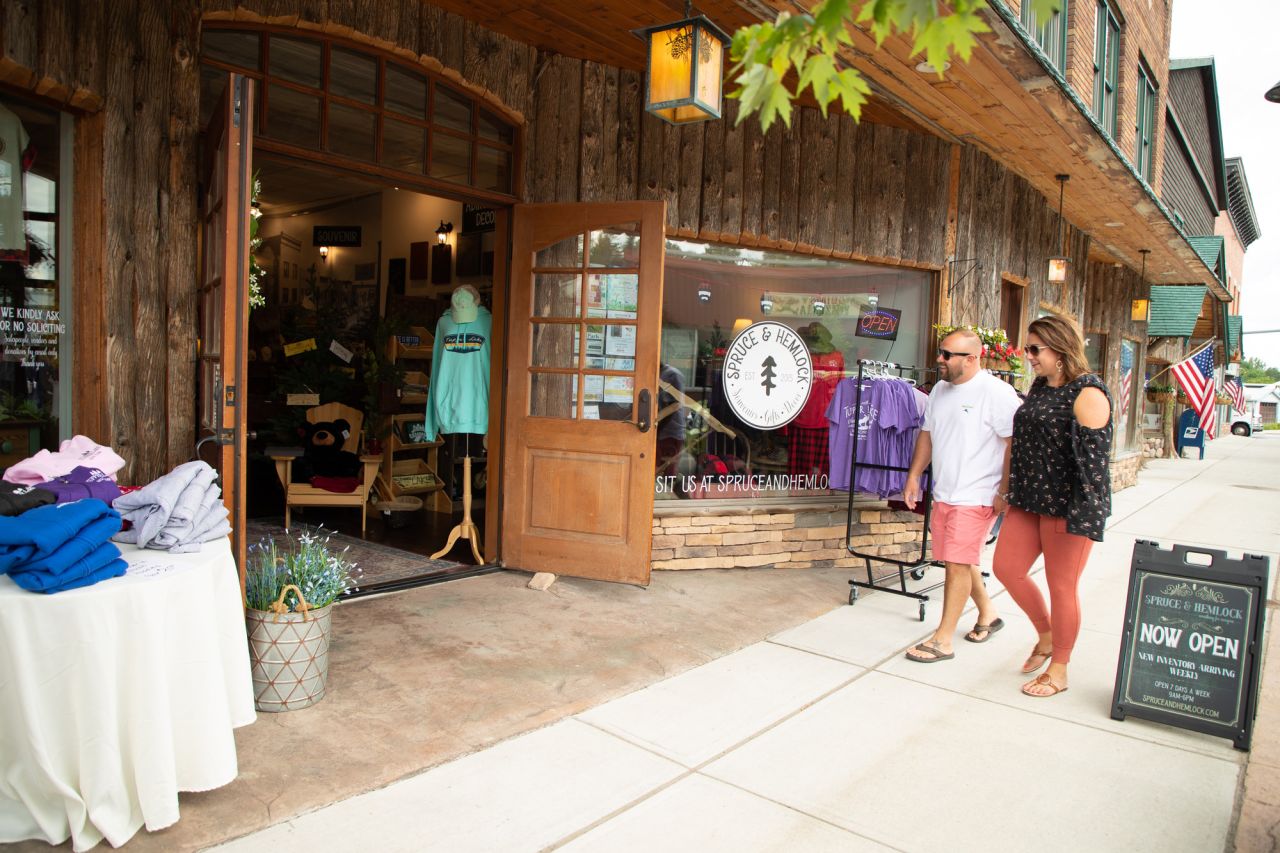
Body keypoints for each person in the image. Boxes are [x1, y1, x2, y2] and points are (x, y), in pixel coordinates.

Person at [993, 313, 1112, 698]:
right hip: (1028, 499)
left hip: (1065, 505)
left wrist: (1083, 517)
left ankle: (1059, 668)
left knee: (1062, 586)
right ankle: (1045, 634)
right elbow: (1022, 442)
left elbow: (1094, 469)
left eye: (1033, 349)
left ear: (1059, 349)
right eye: (1026, 348)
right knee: (1006, 568)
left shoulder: (1088, 394)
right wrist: (1006, 488)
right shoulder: (1042, 386)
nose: (1027, 355)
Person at [902, 328, 1022, 662]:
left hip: (978, 494)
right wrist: (914, 476)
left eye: (946, 354)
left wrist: (1004, 490)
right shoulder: (940, 390)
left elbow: (1015, 443)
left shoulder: (997, 393)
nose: (939, 359)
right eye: (940, 352)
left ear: (972, 359)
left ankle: (942, 639)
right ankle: (988, 614)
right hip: (946, 491)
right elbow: (928, 434)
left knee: (956, 562)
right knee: (959, 557)